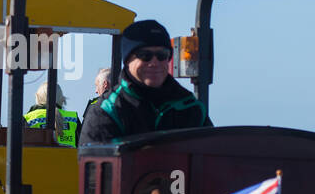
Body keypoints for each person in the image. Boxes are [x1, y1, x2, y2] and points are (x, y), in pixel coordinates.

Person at [78, 19, 208, 146]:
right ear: (128, 60)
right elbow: (94, 164)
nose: (154, 63)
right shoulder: (107, 111)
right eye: (145, 55)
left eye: (162, 55)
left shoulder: (190, 106)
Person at [23, 82, 80, 147]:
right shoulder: (73, 118)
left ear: (37, 97)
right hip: (69, 157)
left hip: (40, 157)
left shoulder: (29, 119)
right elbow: (83, 146)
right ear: (62, 99)